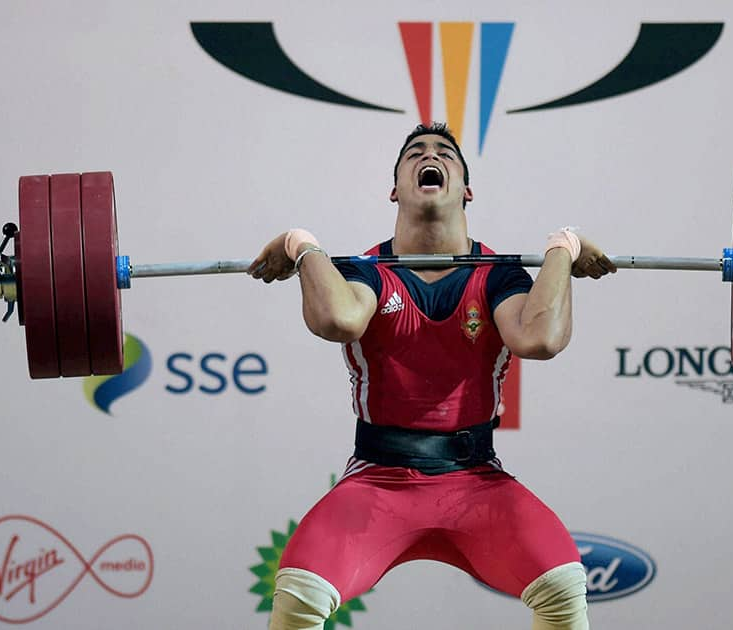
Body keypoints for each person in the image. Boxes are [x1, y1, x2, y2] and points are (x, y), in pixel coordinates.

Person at [248, 122, 615, 630]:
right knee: (302, 595)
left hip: (476, 484)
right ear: (394, 188)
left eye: (445, 152)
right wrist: (302, 243)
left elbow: (540, 339)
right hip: (378, 482)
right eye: (415, 152)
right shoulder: (365, 272)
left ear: (465, 189)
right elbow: (338, 319)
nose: (430, 156)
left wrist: (562, 248)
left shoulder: (498, 276)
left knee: (562, 587)